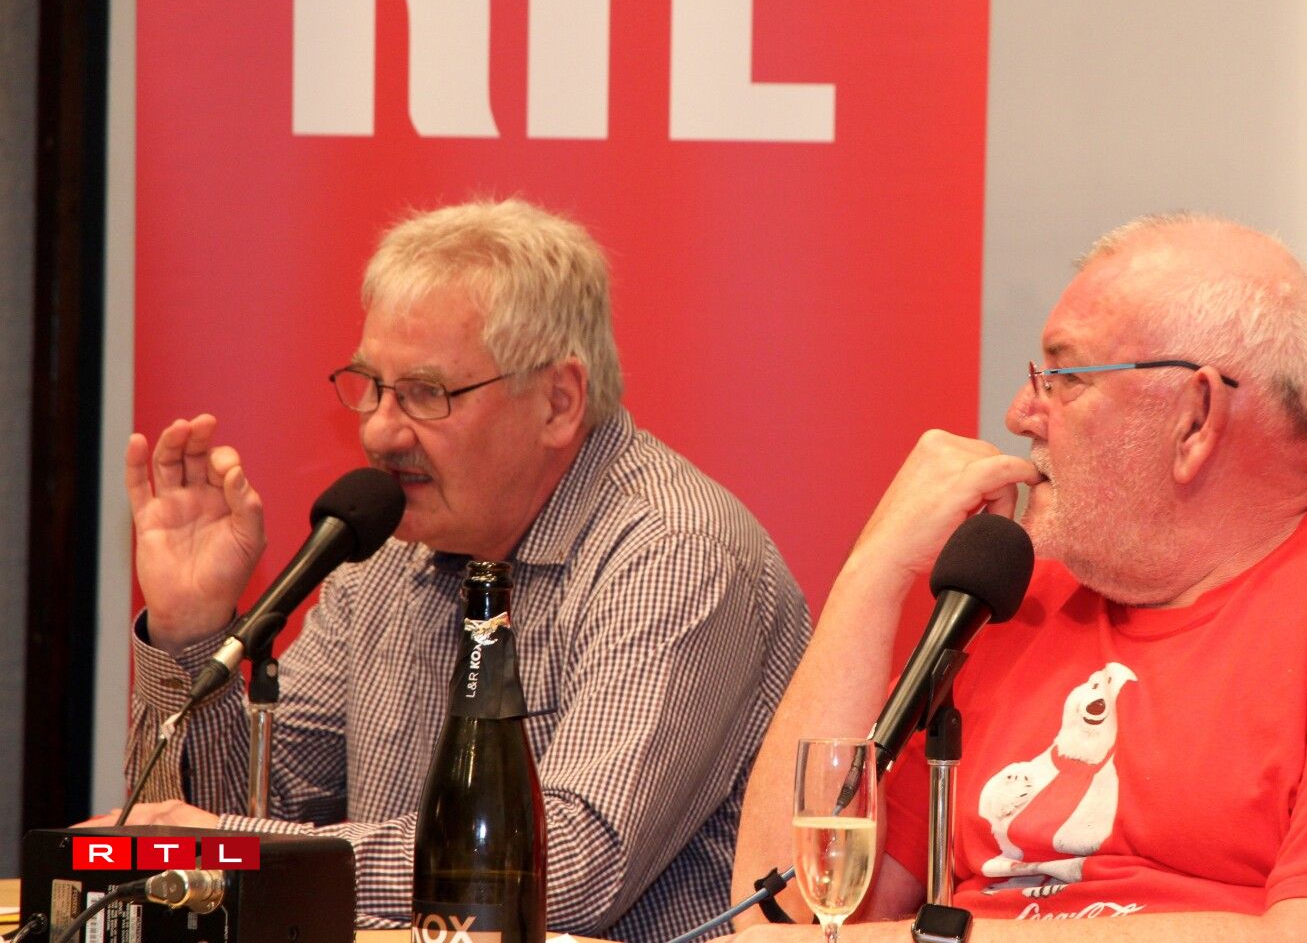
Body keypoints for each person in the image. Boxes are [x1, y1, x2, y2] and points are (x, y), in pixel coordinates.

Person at [729, 213, 1307, 942]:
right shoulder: (1015, 598)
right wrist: (873, 573)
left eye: (1064, 377)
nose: (1021, 414)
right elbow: (786, 913)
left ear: (1195, 417)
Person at [98, 198, 811, 940]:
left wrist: (237, 847)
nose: (380, 431)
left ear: (559, 402)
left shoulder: (674, 552)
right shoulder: (387, 552)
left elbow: (561, 871)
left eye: (426, 394)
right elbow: (235, 820)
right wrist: (191, 629)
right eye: (371, 385)